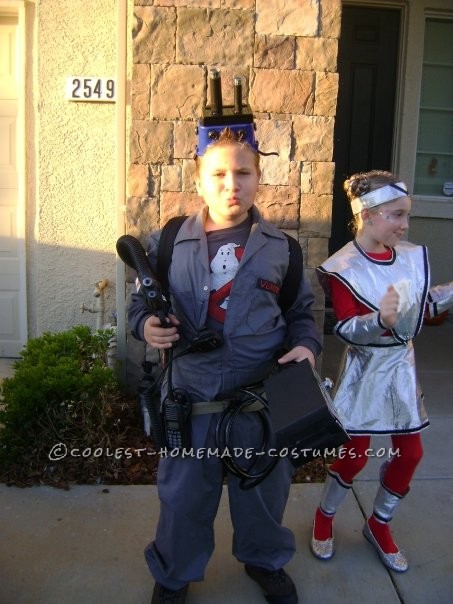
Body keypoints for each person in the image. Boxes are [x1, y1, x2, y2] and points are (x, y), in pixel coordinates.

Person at [128, 127, 322, 604]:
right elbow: (140, 305)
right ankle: (174, 573)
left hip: (259, 401)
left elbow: (301, 314)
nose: (230, 184)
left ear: (259, 179)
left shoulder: (283, 249)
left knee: (262, 493)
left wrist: (308, 346)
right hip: (189, 401)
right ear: (199, 182)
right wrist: (145, 327)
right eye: (218, 174)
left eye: (243, 173)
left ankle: (264, 560)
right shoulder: (170, 241)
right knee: (184, 499)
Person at [310, 170, 453, 572]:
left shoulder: (408, 256)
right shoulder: (344, 267)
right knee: (355, 455)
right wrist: (378, 321)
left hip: (401, 368)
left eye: (406, 215)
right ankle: (325, 516)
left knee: (411, 452)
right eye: (396, 215)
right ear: (367, 215)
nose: (405, 225)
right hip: (365, 369)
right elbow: (344, 328)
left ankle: (379, 523)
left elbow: (422, 308)